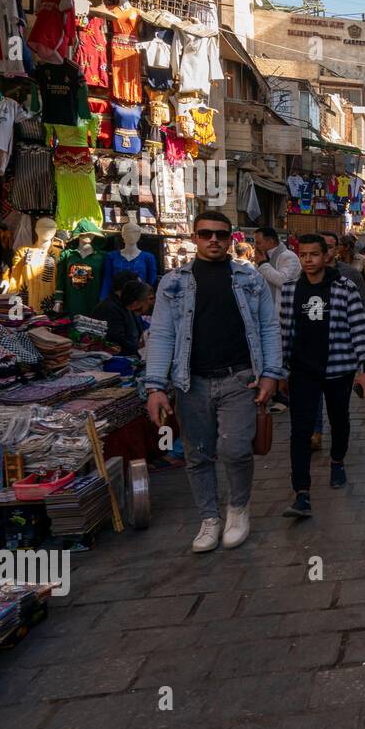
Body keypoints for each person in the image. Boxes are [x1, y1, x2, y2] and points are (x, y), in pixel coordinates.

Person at [145, 210, 283, 553]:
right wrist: (155, 386)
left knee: (235, 450)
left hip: (239, 379)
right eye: (206, 234)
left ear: (230, 238)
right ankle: (209, 518)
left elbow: (269, 327)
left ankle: (237, 509)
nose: (213, 241)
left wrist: (271, 374)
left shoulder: (250, 280)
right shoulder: (173, 282)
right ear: (195, 237)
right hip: (191, 382)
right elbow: (161, 334)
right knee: (199, 455)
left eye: (221, 235)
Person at [279, 233, 365, 519]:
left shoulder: (343, 287)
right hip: (302, 370)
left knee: (339, 419)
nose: (308, 260)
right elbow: (284, 332)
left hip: (338, 368)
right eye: (303, 255)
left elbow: (358, 328)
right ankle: (301, 493)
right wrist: (280, 371)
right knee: (300, 430)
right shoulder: (290, 290)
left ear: (326, 256)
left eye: (314, 254)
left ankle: (337, 461)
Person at [92, 277, 154, 356]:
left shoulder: (126, 305)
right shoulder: (111, 308)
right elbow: (117, 340)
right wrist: (139, 348)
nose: (139, 313)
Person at [252, 225, 301, 295]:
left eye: (258, 243)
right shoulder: (263, 256)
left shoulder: (289, 256)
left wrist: (262, 263)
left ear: (270, 242)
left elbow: (284, 282)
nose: (255, 246)